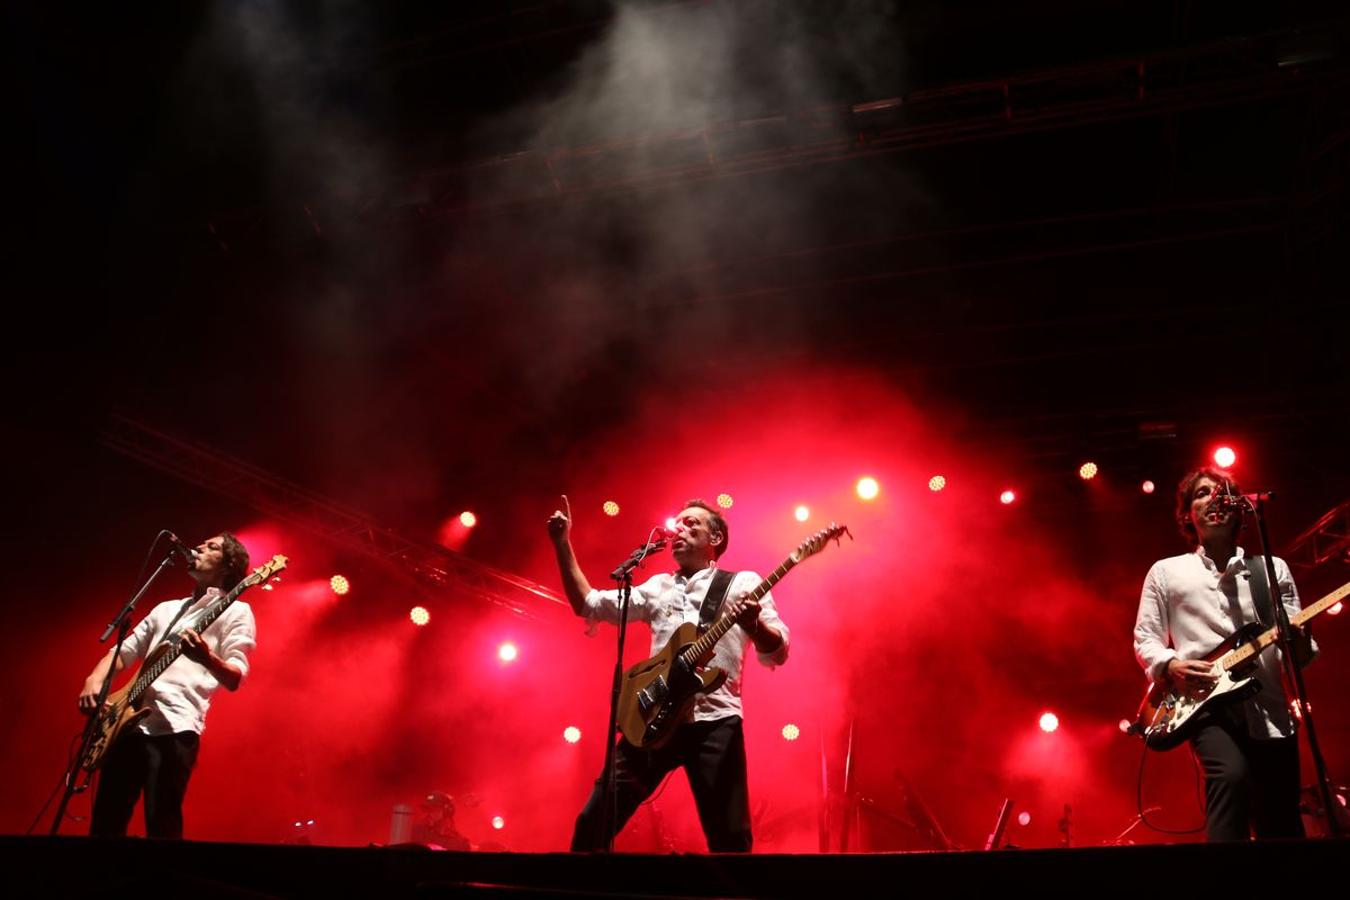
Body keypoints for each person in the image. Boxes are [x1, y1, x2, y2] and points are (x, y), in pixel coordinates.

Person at [548, 495, 789, 852]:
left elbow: (777, 650)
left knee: (731, 841)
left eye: (692, 524)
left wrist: (754, 624)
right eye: (678, 523)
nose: (680, 529)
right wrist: (562, 543)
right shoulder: (657, 586)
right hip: (652, 715)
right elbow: (589, 603)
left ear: (715, 538)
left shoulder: (742, 583)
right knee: (593, 823)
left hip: (714, 720)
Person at [1134, 468, 1315, 840]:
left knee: (1281, 820)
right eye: (1202, 494)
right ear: (1187, 514)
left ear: (1239, 509)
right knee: (1231, 778)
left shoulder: (1271, 569)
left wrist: (1297, 639)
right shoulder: (1166, 572)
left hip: (1269, 708)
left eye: (1224, 493)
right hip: (1205, 707)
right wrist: (1172, 664)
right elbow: (1146, 639)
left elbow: (1297, 657)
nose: (1215, 499)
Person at [79, 533, 257, 838]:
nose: (199, 547)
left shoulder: (236, 611)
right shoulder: (166, 609)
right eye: (202, 544)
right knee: (106, 822)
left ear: (229, 565)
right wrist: (93, 680)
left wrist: (206, 657)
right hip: (124, 726)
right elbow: (124, 651)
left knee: (162, 823)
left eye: (212, 546)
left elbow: (235, 677)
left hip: (175, 727)